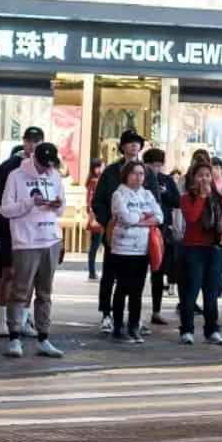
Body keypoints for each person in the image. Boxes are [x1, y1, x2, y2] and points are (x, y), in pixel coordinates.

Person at [0, 141, 67, 358]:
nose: (46, 169)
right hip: (26, 241)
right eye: (43, 164)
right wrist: (30, 203)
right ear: (34, 158)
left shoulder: (55, 176)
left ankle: (43, 338)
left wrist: (57, 204)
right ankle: (14, 337)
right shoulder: (16, 176)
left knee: (45, 292)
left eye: (50, 165)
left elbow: (61, 209)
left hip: (50, 239)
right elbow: (5, 209)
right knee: (20, 290)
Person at [90, 131, 144, 329]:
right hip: (115, 232)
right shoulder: (111, 171)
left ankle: (134, 318)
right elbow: (98, 201)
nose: (134, 146)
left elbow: (153, 199)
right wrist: (108, 222)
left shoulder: (145, 171)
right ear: (122, 147)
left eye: (137, 143)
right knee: (110, 273)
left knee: (136, 278)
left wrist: (146, 222)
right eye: (130, 143)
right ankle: (107, 312)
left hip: (139, 235)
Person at [177, 159, 222, 345]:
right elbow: (192, 218)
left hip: (214, 248)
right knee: (191, 289)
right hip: (192, 248)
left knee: (211, 291)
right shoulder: (186, 198)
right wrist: (202, 197)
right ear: (193, 178)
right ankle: (187, 329)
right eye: (200, 175)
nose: (204, 179)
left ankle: (212, 329)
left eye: (208, 175)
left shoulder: (221, 198)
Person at [106, 161, 161, 343]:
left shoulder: (147, 194)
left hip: (143, 248)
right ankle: (118, 326)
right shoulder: (119, 194)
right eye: (134, 173)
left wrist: (140, 219)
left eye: (141, 174)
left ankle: (134, 325)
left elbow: (159, 216)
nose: (138, 177)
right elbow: (126, 218)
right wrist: (144, 216)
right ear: (126, 175)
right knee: (122, 287)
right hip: (123, 248)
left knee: (137, 290)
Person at [141, 148, 181, 326]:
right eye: (151, 165)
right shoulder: (140, 178)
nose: (155, 169)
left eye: (158, 166)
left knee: (158, 272)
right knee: (138, 272)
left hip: (161, 230)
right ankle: (135, 313)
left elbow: (178, 201)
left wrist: (165, 193)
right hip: (142, 229)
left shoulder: (167, 180)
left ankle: (156, 311)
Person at [0, 128, 43, 206]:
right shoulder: (7, 166)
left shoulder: (48, 167)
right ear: (23, 141)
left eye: (36, 141)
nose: (32, 145)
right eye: (29, 141)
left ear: (42, 143)